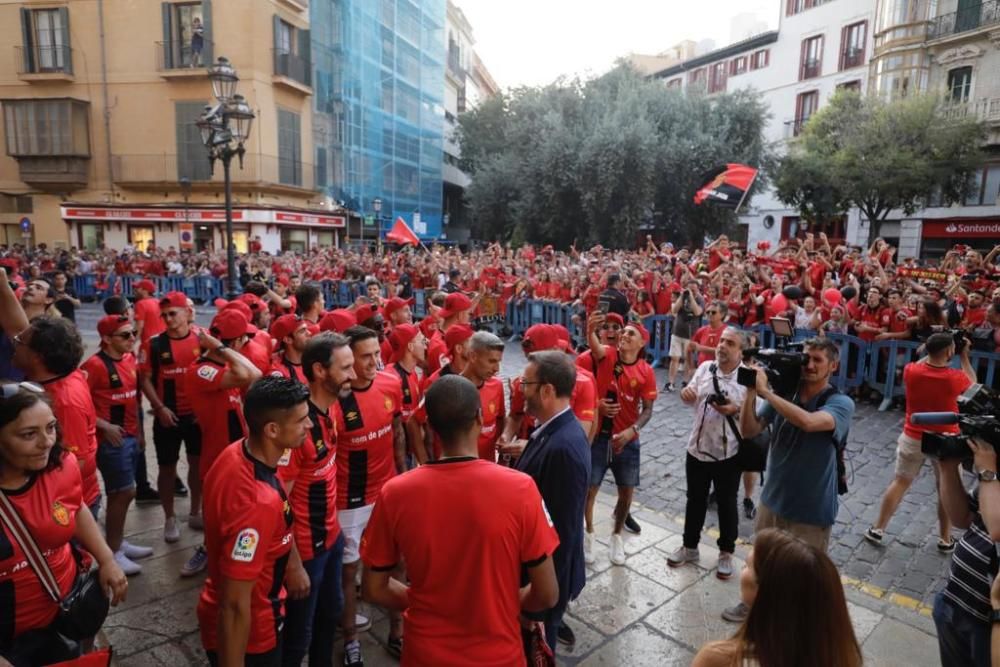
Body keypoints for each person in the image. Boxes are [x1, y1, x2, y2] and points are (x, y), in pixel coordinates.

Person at [360, 375, 560, 666]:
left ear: (430, 425)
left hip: (424, 653)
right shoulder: (521, 489)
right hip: (498, 654)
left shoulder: (395, 493)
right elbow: (547, 593)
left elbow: (373, 588)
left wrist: (429, 602)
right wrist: (500, 603)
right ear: (479, 419)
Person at [724, 337, 854, 623]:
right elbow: (749, 430)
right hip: (772, 500)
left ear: (833, 365)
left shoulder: (841, 402)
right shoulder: (789, 394)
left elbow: (808, 423)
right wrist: (750, 393)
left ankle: (793, 624)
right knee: (760, 563)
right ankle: (752, 604)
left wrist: (767, 394)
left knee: (802, 576)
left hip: (810, 509)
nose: (809, 364)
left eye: (818, 360)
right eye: (806, 358)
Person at [0, 382, 127, 666]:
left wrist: (106, 558)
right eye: (28, 434)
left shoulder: (61, 465)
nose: (46, 442)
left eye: (51, 427)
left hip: (62, 615)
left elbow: (75, 506)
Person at [196, 377, 312, 667]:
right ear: (272, 430)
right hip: (253, 634)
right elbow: (235, 606)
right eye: (301, 420)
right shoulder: (257, 503)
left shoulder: (237, 451)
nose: (309, 426)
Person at [278, 333, 355, 667]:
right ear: (320, 371)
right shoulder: (296, 427)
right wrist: (293, 564)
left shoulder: (331, 407)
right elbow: (278, 499)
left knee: (331, 615)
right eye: (346, 367)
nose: (354, 374)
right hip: (306, 550)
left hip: (331, 538)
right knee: (298, 637)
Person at [334, 325, 406, 666]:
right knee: (350, 574)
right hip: (349, 502)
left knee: (399, 564)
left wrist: (402, 473)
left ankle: (398, 631)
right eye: (366, 356)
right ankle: (350, 641)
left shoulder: (391, 382)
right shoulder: (335, 399)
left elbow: (396, 431)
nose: (375, 361)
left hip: (388, 493)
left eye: (377, 353)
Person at [865, 332, 975, 551]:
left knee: (901, 481)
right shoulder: (955, 377)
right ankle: (945, 539)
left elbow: (922, 361)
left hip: (913, 434)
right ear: (949, 352)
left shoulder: (912, 371)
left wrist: (929, 349)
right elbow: (973, 387)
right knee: (946, 488)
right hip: (946, 438)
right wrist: (964, 357)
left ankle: (878, 527)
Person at [692, 529, 862, 667]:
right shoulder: (844, 657)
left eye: (748, 566)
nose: (742, 568)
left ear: (764, 591)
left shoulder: (719, 660)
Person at [514, 351, 591, 650]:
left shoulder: (564, 449)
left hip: (543, 587)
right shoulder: (553, 430)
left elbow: (562, 533)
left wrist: (537, 603)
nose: (520, 390)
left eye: (525, 384)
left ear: (546, 390)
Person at [183, 309, 262, 578]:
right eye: (244, 340)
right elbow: (252, 373)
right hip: (218, 455)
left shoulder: (225, 366)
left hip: (238, 450)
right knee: (216, 512)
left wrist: (223, 349)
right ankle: (211, 550)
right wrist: (221, 348)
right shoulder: (201, 370)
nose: (247, 345)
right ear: (237, 342)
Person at [668, 327, 748, 580]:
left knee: (726, 503)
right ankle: (689, 546)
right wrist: (686, 394)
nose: (722, 346)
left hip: (729, 452)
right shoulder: (705, 369)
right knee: (695, 499)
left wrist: (734, 409)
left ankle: (726, 552)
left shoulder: (749, 377)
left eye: (730, 343)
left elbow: (756, 417)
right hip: (697, 447)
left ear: (741, 351)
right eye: (722, 341)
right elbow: (689, 395)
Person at [81, 315, 154, 576]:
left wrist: (141, 434)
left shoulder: (129, 359)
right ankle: (112, 552)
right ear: (107, 339)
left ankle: (118, 542)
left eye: (132, 333)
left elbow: (134, 399)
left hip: (131, 436)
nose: (132, 338)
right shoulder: (95, 365)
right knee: (122, 492)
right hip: (112, 441)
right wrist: (105, 426)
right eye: (125, 335)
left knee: (125, 493)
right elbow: (81, 403)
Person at [582, 314, 657, 565]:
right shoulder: (608, 354)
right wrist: (590, 328)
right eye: (623, 332)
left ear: (641, 344)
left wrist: (632, 430)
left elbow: (647, 409)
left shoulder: (646, 371)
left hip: (626, 440)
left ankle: (616, 537)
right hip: (600, 437)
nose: (624, 335)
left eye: (630, 334)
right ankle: (589, 534)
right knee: (590, 490)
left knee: (626, 492)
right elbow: (593, 343)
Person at [12, 317, 101, 523]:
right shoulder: (57, 378)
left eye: (19, 341)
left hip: (67, 507)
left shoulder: (64, 402)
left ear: (38, 357)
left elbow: (75, 462)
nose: (13, 343)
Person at [138, 291, 202, 543]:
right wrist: (160, 407)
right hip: (168, 417)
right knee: (167, 468)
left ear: (187, 311)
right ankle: (169, 517)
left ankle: (196, 510)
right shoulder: (154, 344)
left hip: (196, 417)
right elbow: (144, 378)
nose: (168, 319)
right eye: (163, 315)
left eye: (172, 313)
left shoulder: (202, 338)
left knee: (197, 465)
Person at [935, 437, 1000, 667]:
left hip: (989, 622)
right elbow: (962, 517)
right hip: (954, 601)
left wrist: (988, 473)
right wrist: (948, 468)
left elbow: (997, 529)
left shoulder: (991, 474)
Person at [460, 331, 506, 461]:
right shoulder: (450, 387)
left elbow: (500, 420)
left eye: (499, 362)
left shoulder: (497, 386)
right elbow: (415, 420)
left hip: (487, 467)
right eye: (492, 361)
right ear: (473, 356)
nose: (497, 368)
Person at [666, 279, 704, 391]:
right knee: (674, 358)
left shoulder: (700, 299)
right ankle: (670, 382)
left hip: (691, 334)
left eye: (693, 288)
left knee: (688, 359)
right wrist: (682, 297)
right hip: (677, 332)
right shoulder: (681, 297)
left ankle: (685, 382)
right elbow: (674, 310)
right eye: (689, 288)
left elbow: (697, 312)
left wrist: (691, 297)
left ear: (697, 289)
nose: (691, 291)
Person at [269, 314, 312, 384]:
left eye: (307, 329)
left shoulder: (315, 359)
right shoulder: (276, 369)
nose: (309, 333)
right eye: (302, 331)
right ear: (288, 339)